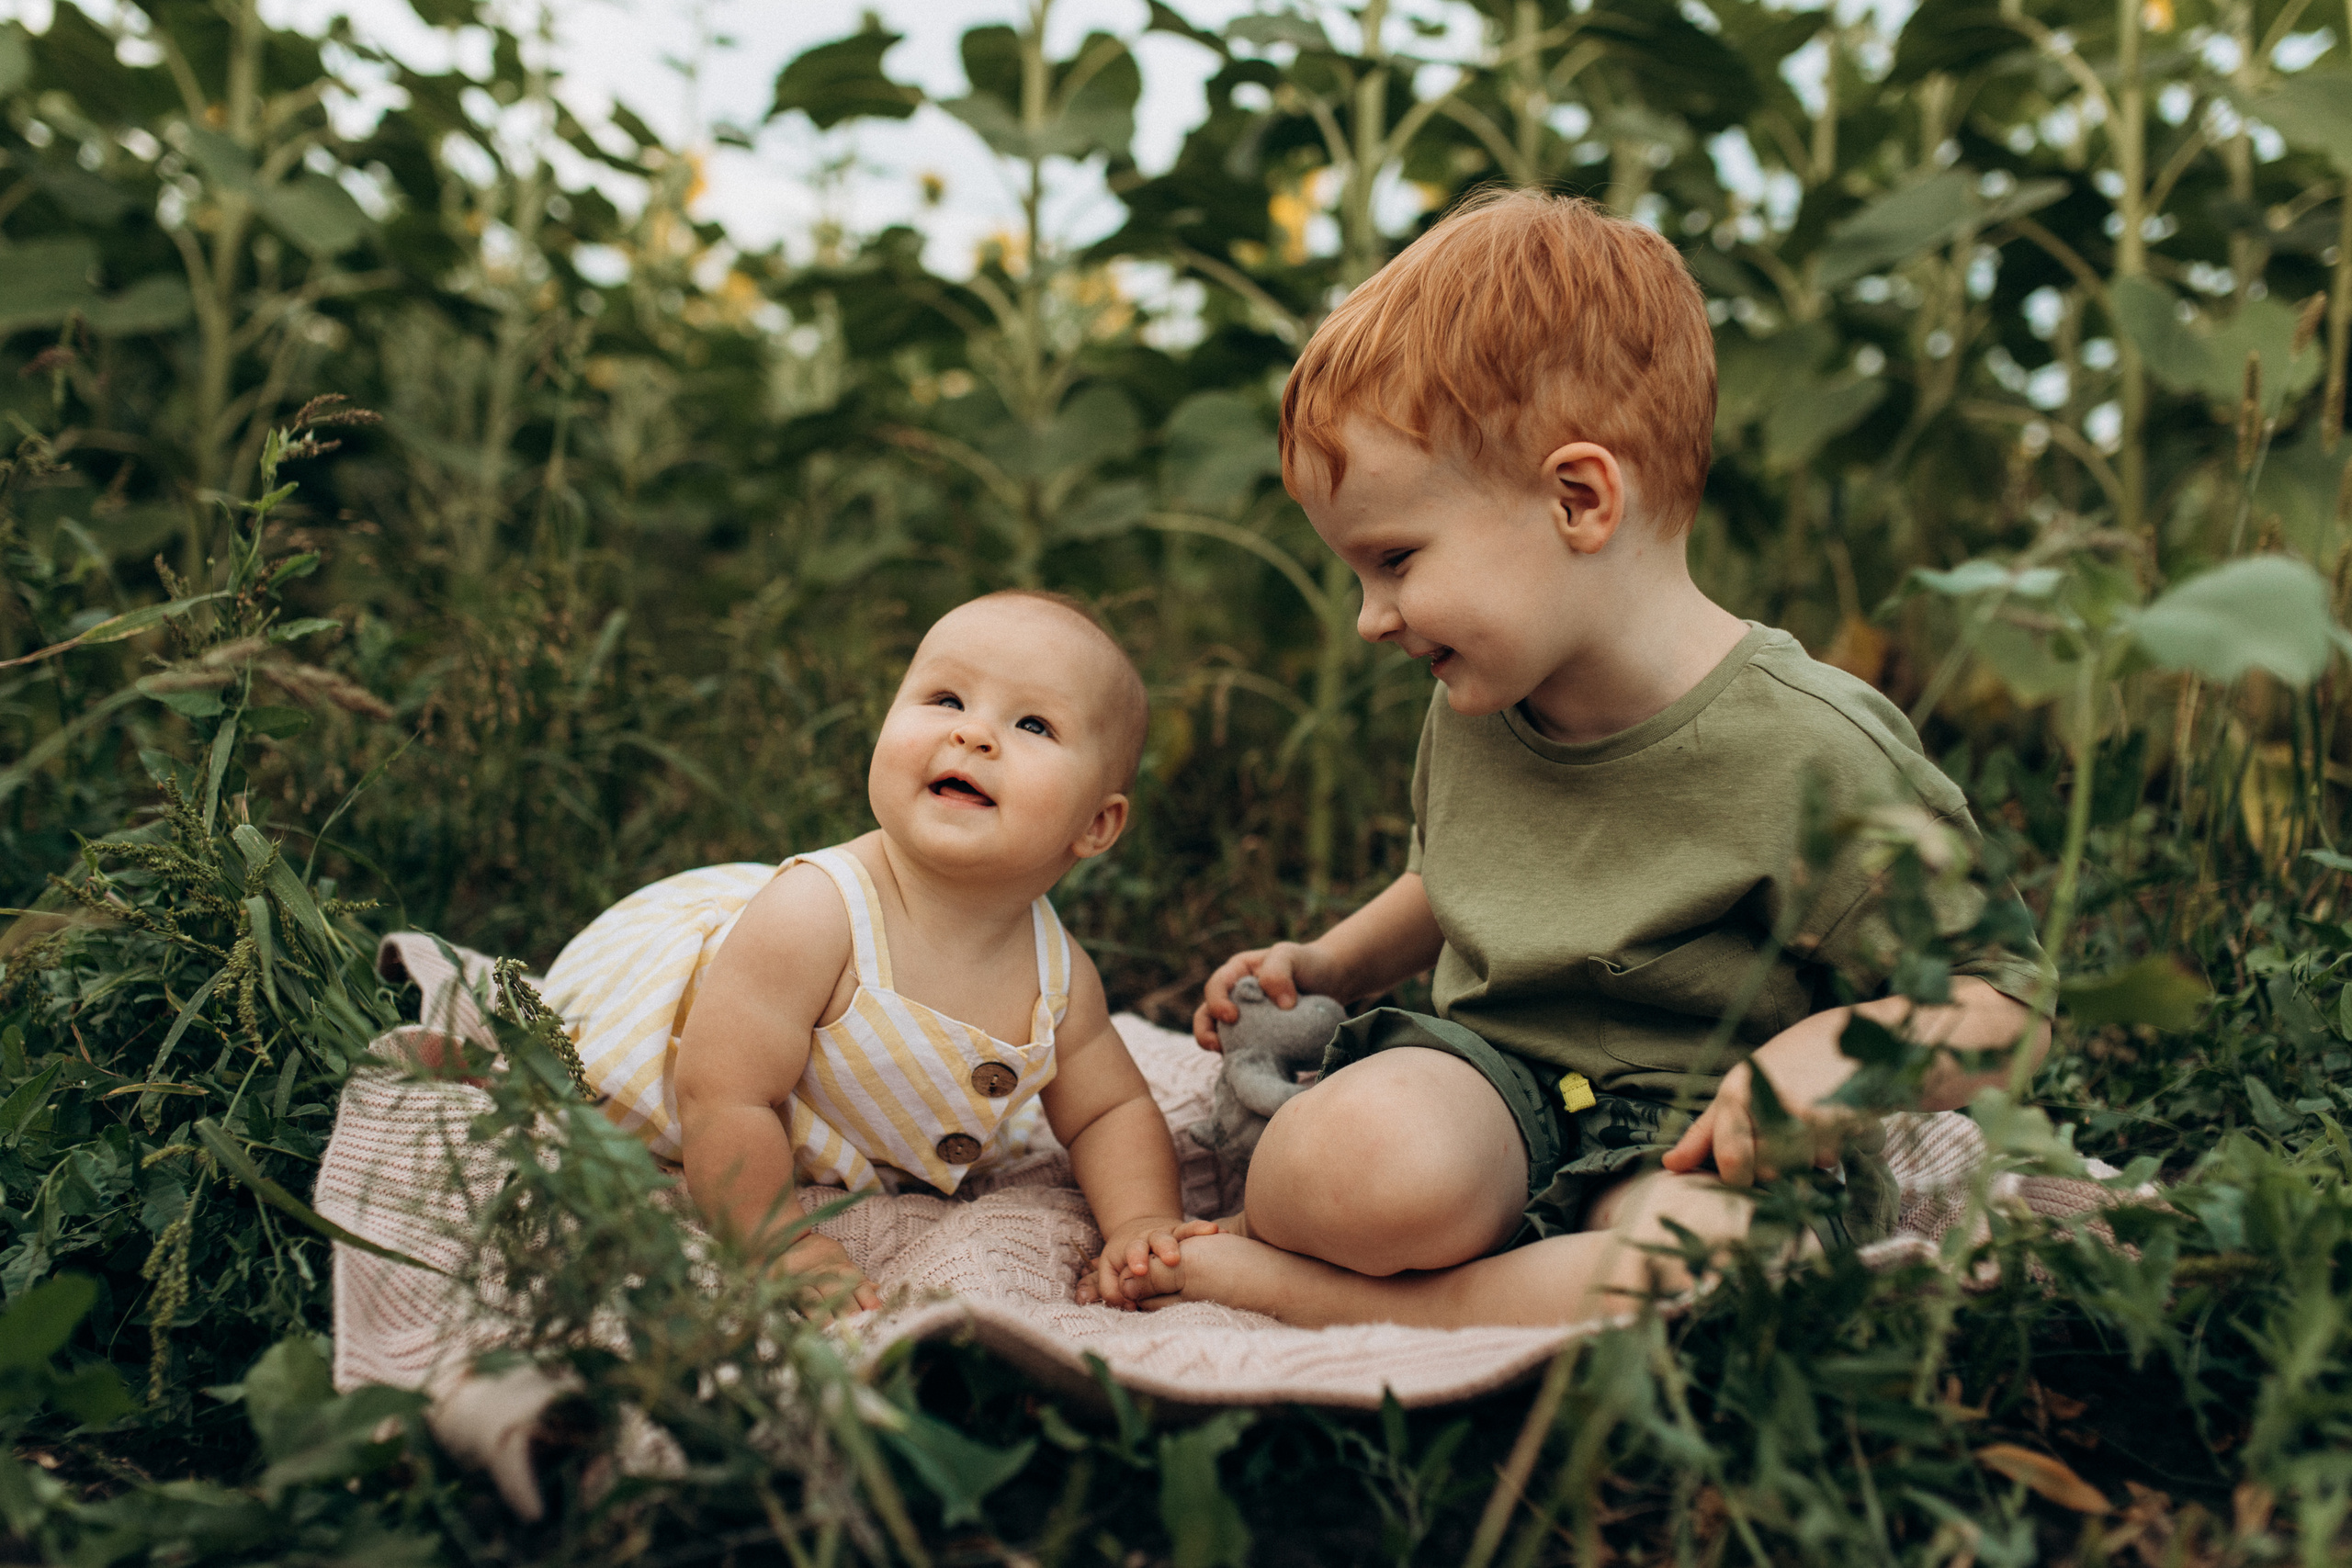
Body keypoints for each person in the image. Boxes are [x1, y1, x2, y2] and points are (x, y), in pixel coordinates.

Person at [1089, 188, 2052, 1326]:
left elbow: (2003, 1003)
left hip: (1694, 1132)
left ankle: (1349, 1305)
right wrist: (1336, 964)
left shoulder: (1816, 746)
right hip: (1490, 1080)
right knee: (1331, 1167)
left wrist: (1829, 1059)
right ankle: (1439, 1271)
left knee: (1714, 1265)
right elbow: (1461, 878)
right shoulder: (1476, 697)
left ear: (1578, 498)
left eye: (1395, 559)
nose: (1371, 618)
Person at [543, 591, 1208, 1316]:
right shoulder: (815, 915)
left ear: (1097, 824)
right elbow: (723, 1092)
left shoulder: (1059, 977)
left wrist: (1141, 1222)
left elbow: (1109, 1109)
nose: (974, 735)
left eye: (1032, 723)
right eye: (947, 698)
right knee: (559, 1073)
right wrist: (775, 1241)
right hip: (681, 1073)